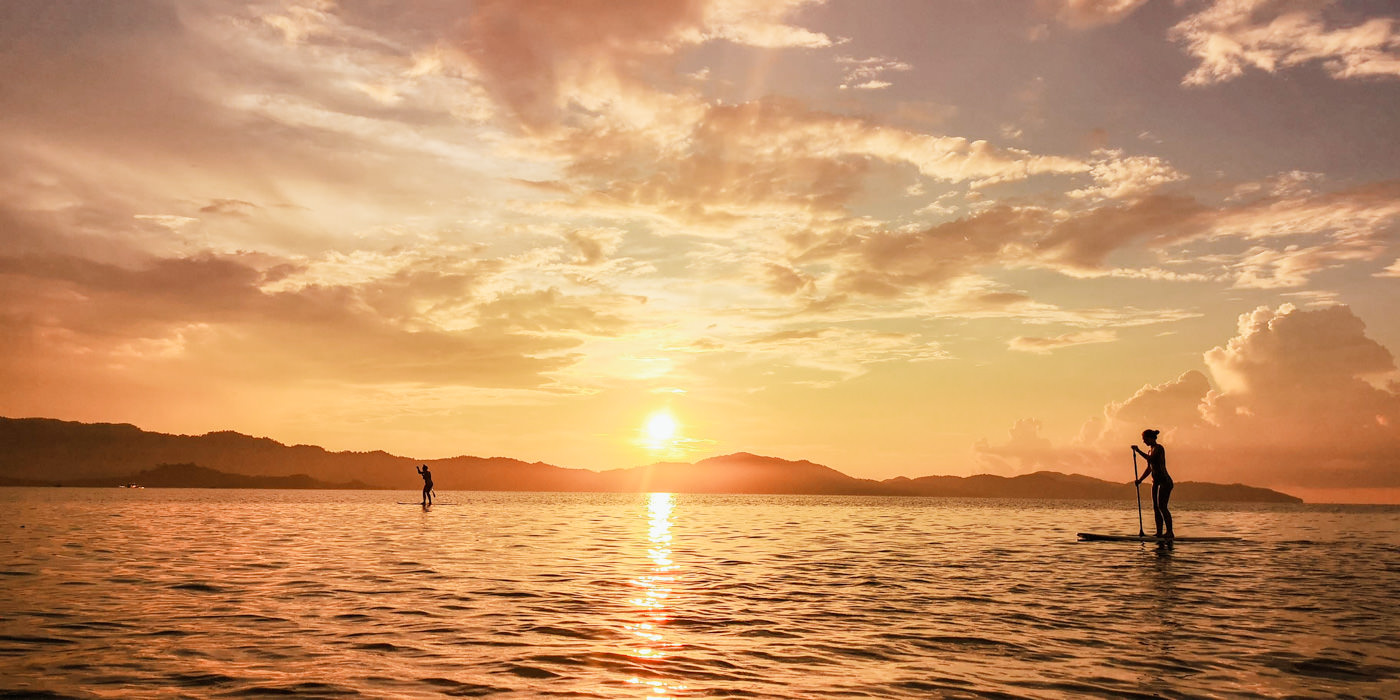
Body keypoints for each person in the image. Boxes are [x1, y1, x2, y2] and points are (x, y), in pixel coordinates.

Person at [1132, 429, 1173, 538]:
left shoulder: (1159, 448)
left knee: (1162, 506)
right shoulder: (1150, 450)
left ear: (1151, 438)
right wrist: (1140, 480)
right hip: (1155, 482)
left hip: (1165, 481)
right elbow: (1150, 468)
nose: (1144, 441)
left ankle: (1170, 532)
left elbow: (1152, 459)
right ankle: (1159, 533)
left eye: (1145, 439)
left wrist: (1138, 451)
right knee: (1155, 507)